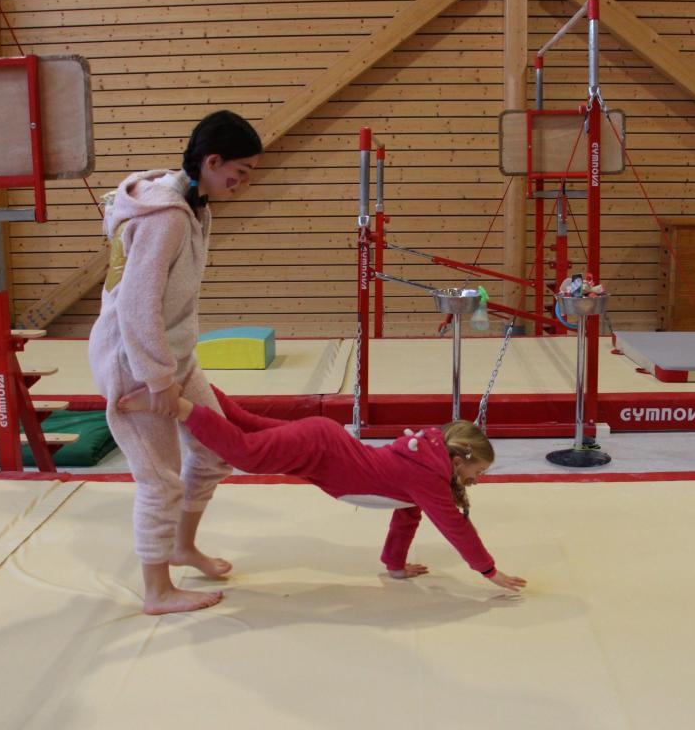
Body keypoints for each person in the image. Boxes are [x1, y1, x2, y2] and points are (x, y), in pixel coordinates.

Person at [88, 110, 262, 614]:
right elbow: (136, 305)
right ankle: (157, 590)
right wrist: (157, 379)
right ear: (212, 161)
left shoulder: (190, 202)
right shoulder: (165, 216)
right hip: (134, 363)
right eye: (240, 171)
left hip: (174, 353)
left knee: (215, 451)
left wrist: (172, 367)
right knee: (160, 479)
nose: (243, 183)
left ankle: (183, 546)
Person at [118, 384, 528, 592]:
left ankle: (194, 385)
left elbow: (406, 516)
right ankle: (179, 404)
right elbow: (457, 528)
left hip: (324, 441)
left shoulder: (425, 466)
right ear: (458, 460)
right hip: (319, 451)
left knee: (246, 424)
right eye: (478, 472)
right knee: (246, 453)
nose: (477, 480)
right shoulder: (429, 477)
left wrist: (395, 565)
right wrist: (490, 571)